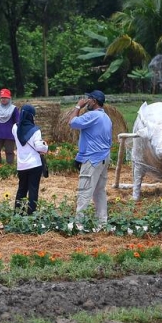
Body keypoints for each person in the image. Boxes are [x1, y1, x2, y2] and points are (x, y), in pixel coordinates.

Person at [69, 90, 112, 226]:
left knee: (84, 190)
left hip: (92, 159)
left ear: (94, 101)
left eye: (89, 99)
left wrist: (78, 106)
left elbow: (72, 122)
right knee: (99, 191)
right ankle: (102, 222)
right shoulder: (106, 117)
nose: (86, 101)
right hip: (103, 157)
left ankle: (79, 224)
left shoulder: (92, 115)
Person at [12, 104, 48, 215]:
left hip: (21, 165)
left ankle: (18, 213)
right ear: (31, 116)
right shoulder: (35, 130)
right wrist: (45, 146)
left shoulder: (14, 127)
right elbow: (39, 147)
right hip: (34, 164)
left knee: (21, 189)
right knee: (33, 190)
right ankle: (31, 214)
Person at [0, 88, 19, 165]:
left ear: (9, 98)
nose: (3, 99)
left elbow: (18, 121)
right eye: (2, 97)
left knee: (9, 151)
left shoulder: (14, 109)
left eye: (5, 97)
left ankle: (9, 166)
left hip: (9, 134)